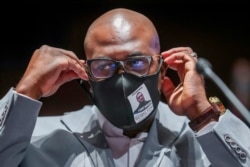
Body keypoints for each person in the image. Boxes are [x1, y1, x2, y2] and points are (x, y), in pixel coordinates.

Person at [0, 8, 249, 167]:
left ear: (162, 69)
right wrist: (25, 92)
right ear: (86, 74)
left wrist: (203, 114)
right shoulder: (37, 138)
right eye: (104, 65)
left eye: (137, 62)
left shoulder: (202, 139)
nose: (121, 77)